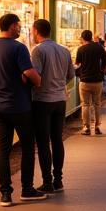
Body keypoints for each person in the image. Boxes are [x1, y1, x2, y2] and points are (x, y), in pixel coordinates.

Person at [0, 13, 46, 207]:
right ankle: (27, 189)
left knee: (3, 149)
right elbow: (31, 74)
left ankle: (5, 194)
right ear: (12, 26)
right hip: (20, 106)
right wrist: (36, 80)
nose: (20, 29)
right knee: (27, 147)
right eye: (18, 26)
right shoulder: (19, 48)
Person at [30, 18, 74, 193]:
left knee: (43, 142)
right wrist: (58, 84)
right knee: (57, 140)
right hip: (60, 100)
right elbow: (71, 75)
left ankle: (47, 181)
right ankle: (59, 180)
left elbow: (36, 76)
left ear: (36, 31)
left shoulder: (38, 51)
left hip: (42, 101)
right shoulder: (64, 50)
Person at [75, 29, 106, 135]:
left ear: (83, 38)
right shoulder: (99, 47)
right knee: (97, 104)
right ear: (91, 37)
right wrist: (101, 71)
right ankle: (97, 126)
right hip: (97, 80)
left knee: (85, 104)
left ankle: (86, 127)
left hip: (84, 80)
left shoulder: (81, 49)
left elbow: (77, 64)